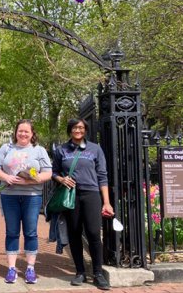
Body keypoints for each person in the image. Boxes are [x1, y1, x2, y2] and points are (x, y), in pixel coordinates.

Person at [52, 118, 114, 290]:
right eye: (74, 127)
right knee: (74, 233)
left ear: (85, 130)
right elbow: (54, 172)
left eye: (81, 127)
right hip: (71, 195)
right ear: (70, 130)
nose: (78, 130)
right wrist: (61, 179)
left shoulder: (95, 149)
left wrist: (106, 202)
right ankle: (80, 272)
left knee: (94, 233)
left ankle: (98, 273)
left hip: (91, 194)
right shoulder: (61, 150)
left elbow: (102, 175)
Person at [0, 119, 52, 284]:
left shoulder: (39, 150)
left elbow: (48, 173)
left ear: (32, 134)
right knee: (12, 231)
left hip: (32, 196)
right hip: (9, 195)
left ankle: (30, 269)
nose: (23, 134)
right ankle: (11, 269)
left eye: (27, 131)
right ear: (16, 132)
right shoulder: (6, 148)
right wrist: (6, 177)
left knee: (31, 232)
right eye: (20, 131)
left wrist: (30, 180)